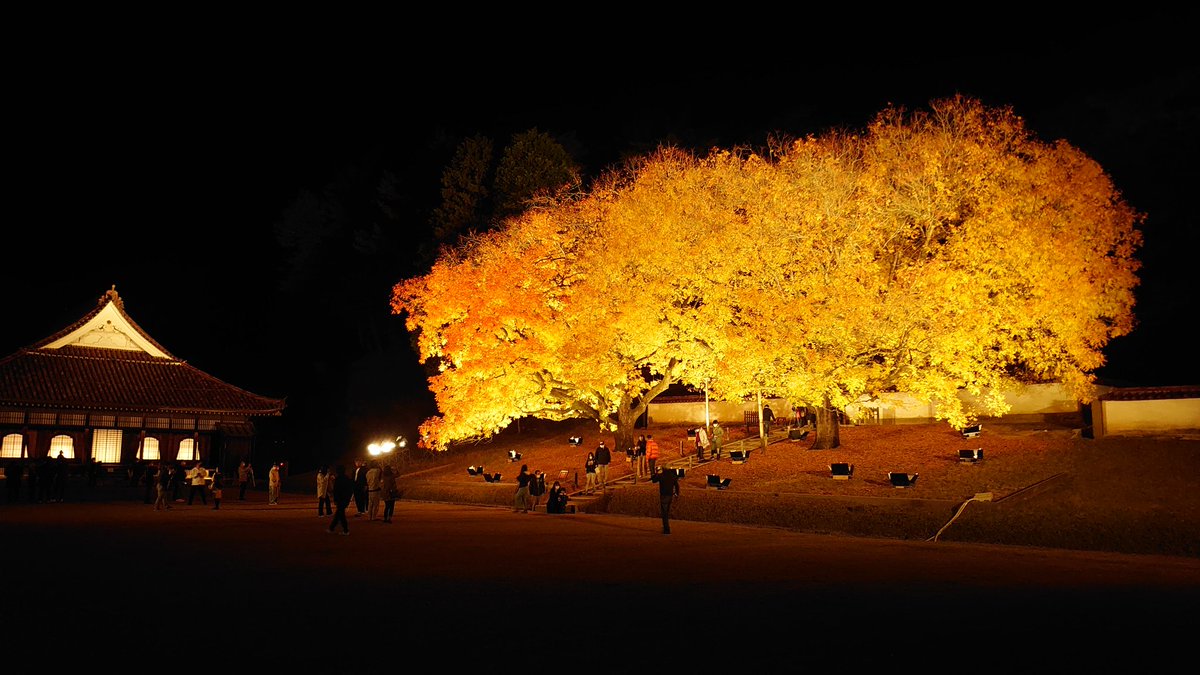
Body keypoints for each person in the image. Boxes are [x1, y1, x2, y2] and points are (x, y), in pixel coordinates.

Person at [651, 466, 681, 535]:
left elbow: (653, 480)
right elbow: (677, 485)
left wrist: (656, 473)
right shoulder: (672, 476)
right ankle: (666, 528)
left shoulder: (661, 476)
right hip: (670, 495)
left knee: (664, 513)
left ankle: (666, 529)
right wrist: (676, 493)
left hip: (663, 495)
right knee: (666, 511)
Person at [328, 465, 354, 535]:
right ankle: (331, 528)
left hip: (340, 500)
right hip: (345, 499)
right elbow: (350, 490)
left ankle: (345, 530)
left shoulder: (338, 479)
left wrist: (335, 500)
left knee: (341, 515)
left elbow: (336, 491)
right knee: (338, 514)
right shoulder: (347, 478)